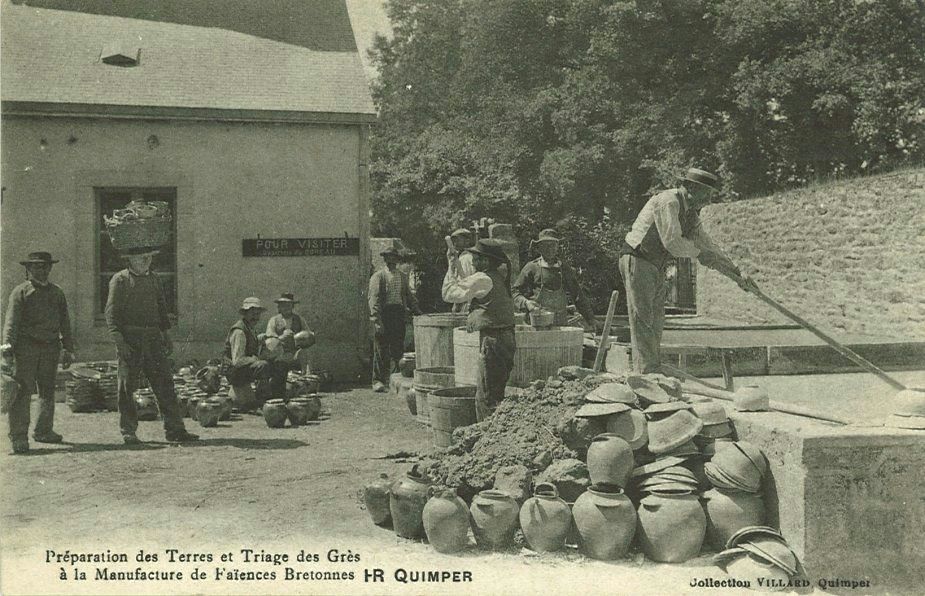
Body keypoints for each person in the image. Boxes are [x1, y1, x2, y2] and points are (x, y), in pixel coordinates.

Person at [619, 167, 757, 373]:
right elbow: (672, 242)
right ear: (690, 187)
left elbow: (709, 246)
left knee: (656, 320)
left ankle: (651, 369)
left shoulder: (691, 213)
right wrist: (700, 254)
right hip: (638, 259)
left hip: (656, 264)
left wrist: (737, 274)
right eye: (706, 194)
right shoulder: (669, 201)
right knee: (643, 319)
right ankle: (646, 374)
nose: (708, 200)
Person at [105, 248, 198, 444]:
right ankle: (128, 431)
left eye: (149, 257)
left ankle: (175, 429)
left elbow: (162, 309)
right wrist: (120, 342)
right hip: (131, 339)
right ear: (130, 259)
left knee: (165, 384)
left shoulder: (154, 279)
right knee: (126, 387)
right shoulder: (120, 280)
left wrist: (166, 335)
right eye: (141, 257)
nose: (146, 260)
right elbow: (111, 314)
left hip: (154, 338)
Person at [1, 252, 75, 454]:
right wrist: (7, 347)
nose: (41, 270)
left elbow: (65, 322)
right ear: (29, 269)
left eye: (45, 266)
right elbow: (12, 322)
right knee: (22, 392)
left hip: (50, 348)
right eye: (36, 267)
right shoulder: (21, 292)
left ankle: (44, 431)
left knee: (47, 391)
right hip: (26, 349)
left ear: (50, 269)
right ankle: (18, 437)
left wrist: (68, 348)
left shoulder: (57, 293)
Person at [442, 239, 516, 421]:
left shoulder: (482, 278)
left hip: (493, 340)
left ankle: (486, 437)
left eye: (476, 258)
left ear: (487, 261)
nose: (473, 262)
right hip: (505, 338)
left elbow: (449, 294)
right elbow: (466, 283)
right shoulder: (497, 277)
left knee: (485, 396)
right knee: (496, 393)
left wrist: (451, 265)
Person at [513, 229, 597, 329]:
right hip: (537, 323)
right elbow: (514, 292)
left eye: (553, 245)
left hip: (560, 323)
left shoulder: (564, 269)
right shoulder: (532, 267)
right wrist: (526, 303)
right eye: (546, 245)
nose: (550, 249)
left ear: (557, 247)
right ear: (539, 248)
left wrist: (591, 320)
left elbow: (578, 296)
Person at [369, 245, 420, 392]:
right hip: (384, 314)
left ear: (397, 260)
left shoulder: (402, 276)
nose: (390, 261)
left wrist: (417, 310)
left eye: (393, 258)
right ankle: (377, 380)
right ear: (384, 259)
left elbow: (409, 296)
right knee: (380, 348)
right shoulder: (379, 277)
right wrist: (376, 320)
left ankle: (394, 379)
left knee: (397, 348)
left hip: (398, 314)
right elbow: (374, 299)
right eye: (387, 258)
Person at [223, 297, 290, 404]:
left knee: (281, 364)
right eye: (253, 314)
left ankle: (278, 397)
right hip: (234, 372)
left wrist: (259, 339)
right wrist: (255, 359)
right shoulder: (239, 331)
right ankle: (263, 398)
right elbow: (237, 360)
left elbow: (249, 344)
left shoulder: (250, 327)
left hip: (244, 368)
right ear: (245, 313)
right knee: (263, 365)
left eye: (257, 314)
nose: (256, 317)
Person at [265, 292, 314, 371]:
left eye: (288, 305)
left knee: (304, 355)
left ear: (292, 306)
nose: (286, 308)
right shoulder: (273, 320)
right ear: (279, 307)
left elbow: (309, 336)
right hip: (279, 354)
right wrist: (281, 338)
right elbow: (269, 341)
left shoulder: (299, 319)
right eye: (283, 305)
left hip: (296, 354)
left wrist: (298, 338)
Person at [447, 228, 476, 313]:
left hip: (466, 301)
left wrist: (457, 304)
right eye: (454, 240)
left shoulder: (466, 258)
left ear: (467, 241)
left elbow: (464, 282)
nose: (455, 243)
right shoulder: (462, 257)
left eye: (458, 240)